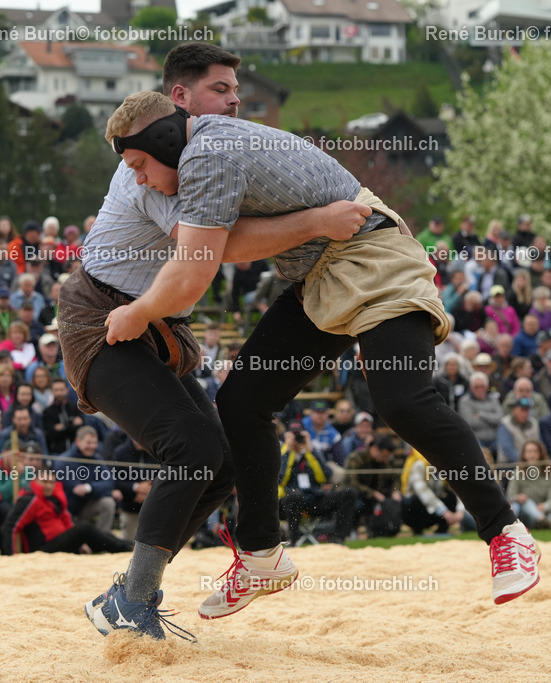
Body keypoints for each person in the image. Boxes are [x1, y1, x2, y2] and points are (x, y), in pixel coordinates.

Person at [101, 87, 541, 615]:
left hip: (371, 259)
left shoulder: (205, 155)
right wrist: (314, 223)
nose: (138, 177)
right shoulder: (200, 150)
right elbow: (229, 243)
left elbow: (198, 268)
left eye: (138, 163)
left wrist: (138, 313)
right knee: (241, 401)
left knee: (403, 401)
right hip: (320, 274)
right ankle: (262, 554)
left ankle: (505, 533)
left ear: (164, 139)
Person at [61, 44, 378, 640]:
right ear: (178, 106)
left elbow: (220, 239)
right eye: (219, 90)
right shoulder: (150, 166)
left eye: (237, 89)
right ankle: (132, 598)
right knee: (193, 448)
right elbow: (212, 251)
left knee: (223, 461)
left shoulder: (202, 156)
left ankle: (129, 592)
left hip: (152, 323)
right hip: (101, 318)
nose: (233, 101)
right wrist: (315, 221)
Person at [2, 466, 134, 555]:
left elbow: (66, 520)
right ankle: (126, 547)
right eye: (44, 481)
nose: (48, 486)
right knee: (85, 528)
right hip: (42, 549)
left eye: (51, 483)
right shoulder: (29, 499)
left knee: (97, 533)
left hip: (59, 542)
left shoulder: (53, 498)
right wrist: (11, 556)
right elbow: (10, 526)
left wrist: (79, 543)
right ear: (34, 481)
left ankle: (128, 545)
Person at [345, 435, 405, 538]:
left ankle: (388, 530)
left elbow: (396, 478)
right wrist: (372, 493)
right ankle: (352, 530)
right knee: (357, 504)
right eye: (383, 456)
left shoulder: (387, 460)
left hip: (382, 495)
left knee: (403, 501)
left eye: (387, 457)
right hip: (361, 496)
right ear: (375, 449)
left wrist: (395, 491)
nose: (385, 460)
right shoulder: (356, 458)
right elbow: (352, 482)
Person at [506, 441, 551, 529]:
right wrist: (518, 497)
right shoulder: (517, 472)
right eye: (529, 452)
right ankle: (543, 522)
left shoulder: (550, 473)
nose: (532, 455)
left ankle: (542, 523)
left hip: (544, 513)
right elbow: (510, 496)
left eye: (535, 451)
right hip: (526, 515)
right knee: (526, 501)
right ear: (524, 455)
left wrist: (544, 507)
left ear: (540, 454)